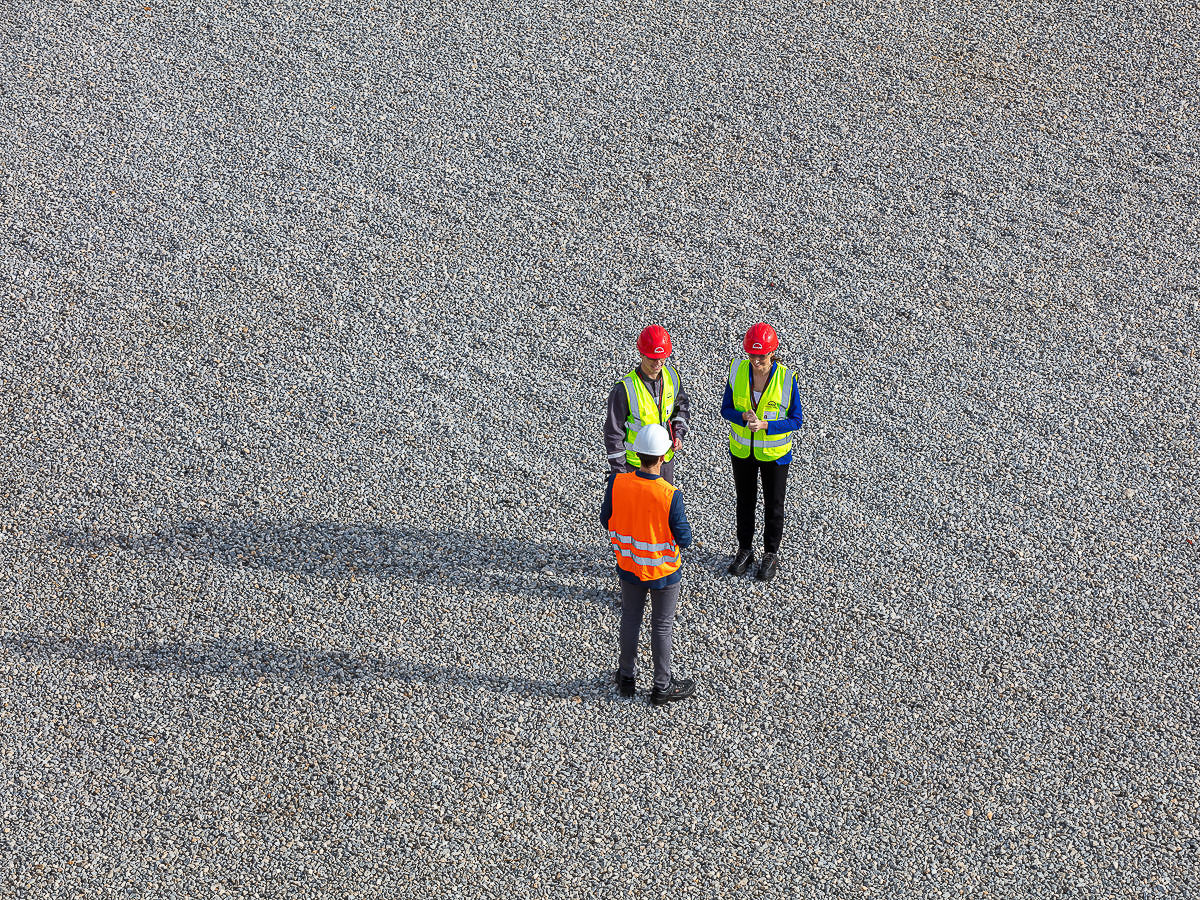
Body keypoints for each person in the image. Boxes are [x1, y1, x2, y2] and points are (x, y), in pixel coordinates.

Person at [600, 424, 697, 705]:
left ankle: (627, 678)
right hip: (663, 571)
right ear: (664, 455)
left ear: (637, 453)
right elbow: (685, 538)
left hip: (629, 565)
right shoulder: (669, 494)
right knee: (661, 626)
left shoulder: (617, 483)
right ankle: (661, 686)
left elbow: (607, 519)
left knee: (630, 618)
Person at [721, 322, 804, 582]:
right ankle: (745, 549)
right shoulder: (737, 371)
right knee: (744, 503)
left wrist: (766, 425)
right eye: (752, 355)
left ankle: (770, 553)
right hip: (743, 451)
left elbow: (796, 420)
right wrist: (741, 417)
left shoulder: (787, 379)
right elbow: (725, 409)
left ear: (772, 353)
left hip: (775, 456)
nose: (756, 361)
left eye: (762, 356)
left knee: (774, 506)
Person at [603, 324, 691, 485]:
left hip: (664, 462)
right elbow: (613, 433)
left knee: (664, 508)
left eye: (662, 357)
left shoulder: (672, 377)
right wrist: (620, 473)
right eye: (652, 357)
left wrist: (678, 434)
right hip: (635, 467)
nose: (658, 363)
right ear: (641, 354)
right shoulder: (624, 389)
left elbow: (681, 409)